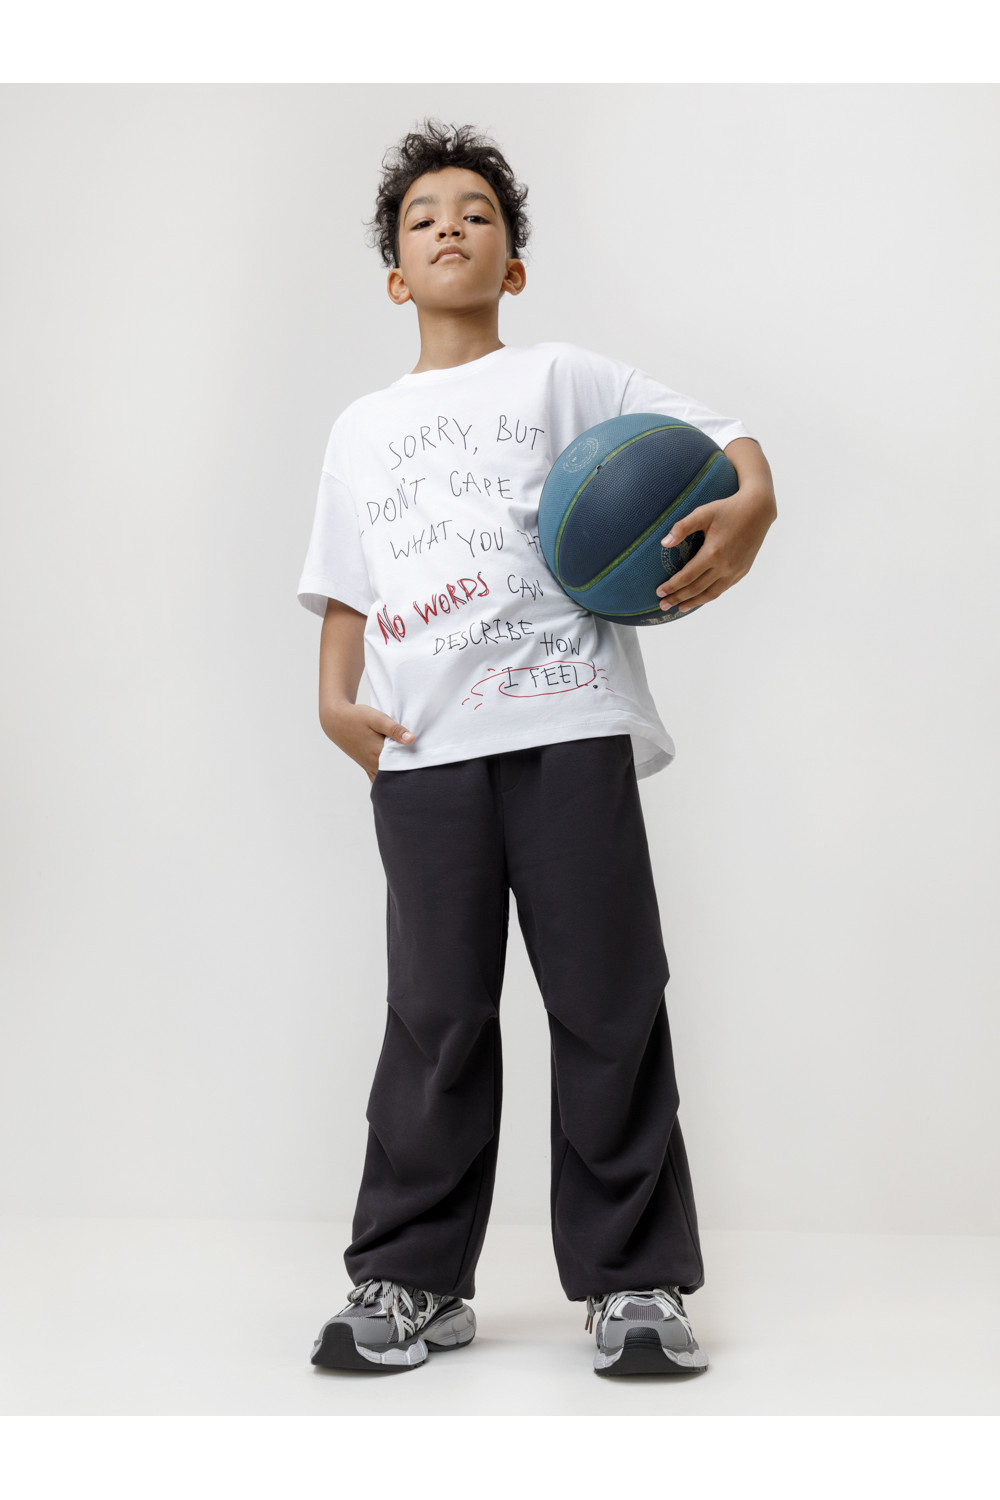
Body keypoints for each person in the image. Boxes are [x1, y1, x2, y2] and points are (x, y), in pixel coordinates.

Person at [297, 118, 777, 1378]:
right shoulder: (363, 428)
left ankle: (635, 1284)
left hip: (569, 729)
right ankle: (409, 1278)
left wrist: (755, 502)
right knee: (436, 1017)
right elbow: (345, 587)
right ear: (395, 277)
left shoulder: (562, 377)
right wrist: (336, 704)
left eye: (476, 214)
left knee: (610, 1003)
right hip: (424, 750)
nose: (449, 226)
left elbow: (725, 441)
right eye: (422, 219)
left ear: (511, 265)